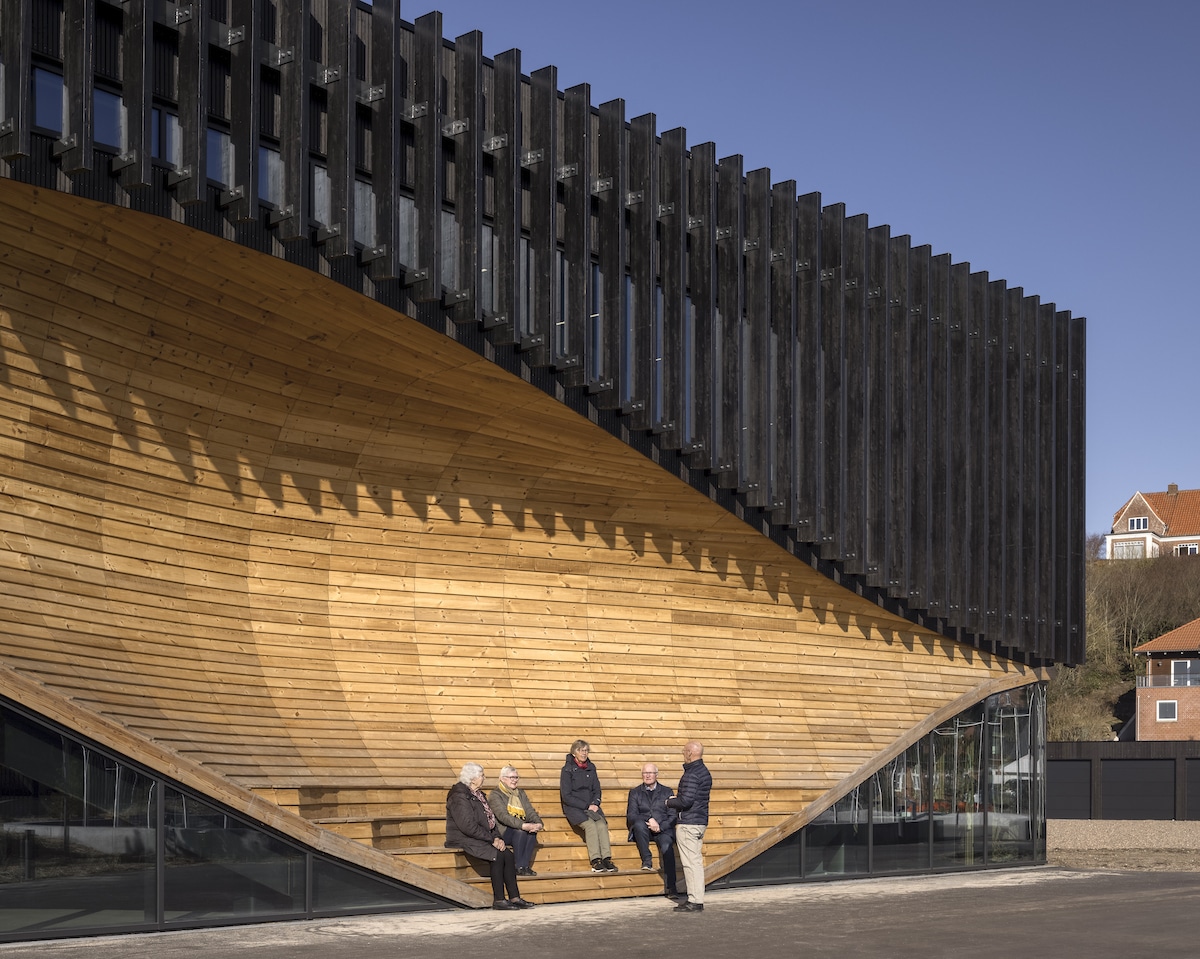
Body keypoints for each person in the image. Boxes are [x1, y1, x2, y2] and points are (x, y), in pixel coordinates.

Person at [445, 762, 535, 909]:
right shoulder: (459, 797)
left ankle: (514, 897)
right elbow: (467, 826)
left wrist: (498, 838)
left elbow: (490, 821)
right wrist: (492, 839)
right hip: (464, 838)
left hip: (481, 836)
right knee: (497, 855)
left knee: (508, 855)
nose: (484, 778)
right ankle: (499, 900)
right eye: (482, 775)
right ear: (472, 778)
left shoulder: (478, 795)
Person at [666, 740, 712, 912]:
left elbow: (686, 800)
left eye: (684, 751)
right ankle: (696, 898)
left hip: (689, 823)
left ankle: (695, 901)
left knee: (690, 864)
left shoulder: (692, 774)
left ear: (690, 753)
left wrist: (669, 802)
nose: (682, 753)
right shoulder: (704, 772)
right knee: (696, 863)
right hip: (700, 822)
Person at [559, 739, 617, 872]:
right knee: (590, 826)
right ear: (574, 753)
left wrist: (595, 802)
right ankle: (596, 860)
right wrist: (586, 805)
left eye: (586, 750)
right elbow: (566, 796)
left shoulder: (591, 767)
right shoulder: (567, 770)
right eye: (581, 750)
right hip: (574, 807)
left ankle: (607, 859)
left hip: (591, 806)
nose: (584, 753)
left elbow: (597, 789)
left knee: (602, 825)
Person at [626, 762, 679, 898]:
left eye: (650, 773)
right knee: (638, 824)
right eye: (645, 773)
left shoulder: (667, 791)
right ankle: (647, 860)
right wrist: (649, 819)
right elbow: (631, 815)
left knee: (667, 847)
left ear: (656, 775)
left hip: (663, 829)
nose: (647, 775)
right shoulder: (635, 792)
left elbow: (672, 816)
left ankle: (672, 887)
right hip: (644, 829)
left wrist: (660, 826)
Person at [488, 765, 544, 876]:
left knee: (531, 831)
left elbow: (529, 811)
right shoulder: (495, 794)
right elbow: (503, 816)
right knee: (521, 831)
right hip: (503, 830)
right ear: (502, 779)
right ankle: (518, 866)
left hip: (519, 826)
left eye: (516, 777)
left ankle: (525, 866)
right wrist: (523, 825)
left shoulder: (520, 793)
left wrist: (538, 823)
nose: (514, 780)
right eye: (511, 777)